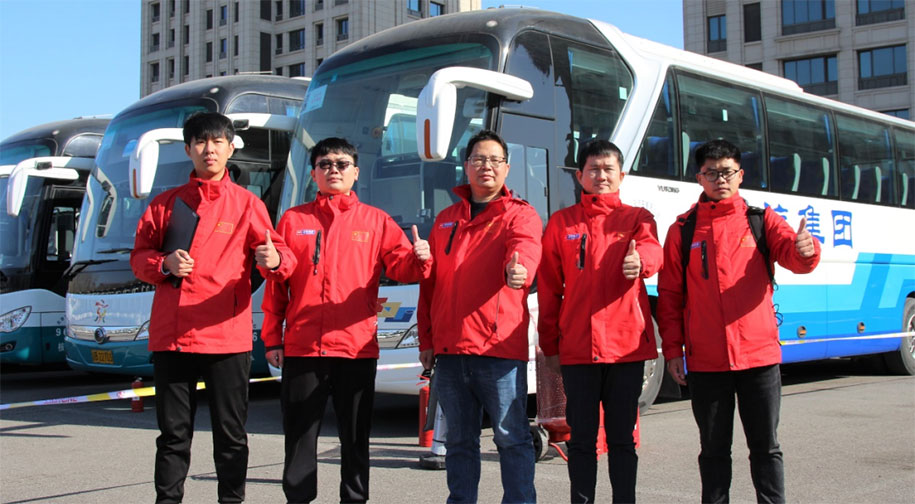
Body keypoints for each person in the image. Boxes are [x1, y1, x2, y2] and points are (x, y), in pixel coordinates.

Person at [131, 112, 296, 504]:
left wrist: (274, 260)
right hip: (173, 337)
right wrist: (163, 264)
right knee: (173, 436)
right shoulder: (165, 204)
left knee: (231, 434)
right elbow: (138, 258)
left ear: (230, 147)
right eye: (201, 142)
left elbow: (282, 257)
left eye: (218, 141)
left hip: (226, 337)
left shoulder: (248, 204)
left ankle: (231, 500)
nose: (210, 149)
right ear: (188, 149)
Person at [261, 137, 432, 504]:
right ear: (313, 174)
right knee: (299, 436)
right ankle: (298, 499)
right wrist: (273, 338)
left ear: (356, 172)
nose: (333, 170)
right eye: (324, 164)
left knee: (355, 437)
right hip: (304, 348)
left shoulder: (375, 220)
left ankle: (354, 499)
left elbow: (401, 267)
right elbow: (278, 285)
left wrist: (420, 258)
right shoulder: (293, 220)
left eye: (341, 164)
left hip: (355, 349)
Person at [657, 139, 821, 504]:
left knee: (766, 447)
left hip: (758, 358)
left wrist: (805, 251)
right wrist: (672, 351)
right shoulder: (682, 230)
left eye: (727, 172)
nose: (720, 179)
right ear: (699, 177)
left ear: (740, 175)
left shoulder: (761, 220)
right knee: (713, 451)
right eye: (711, 172)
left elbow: (792, 256)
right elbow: (669, 297)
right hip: (707, 361)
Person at [418, 130, 542, 503]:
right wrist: (427, 341)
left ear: (506, 168)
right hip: (451, 352)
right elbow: (430, 287)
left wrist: (519, 271)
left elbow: (525, 250)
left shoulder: (520, 214)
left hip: (498, 350)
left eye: (494, 160)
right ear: (466, 166)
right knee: (458, 442)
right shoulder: (446, 219)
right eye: (478, 159)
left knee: (511, 438)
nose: (486, 166)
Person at [537, 139, 662, 503]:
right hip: (578, 350)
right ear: (580, 176)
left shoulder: (638, 218)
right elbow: (549, 289)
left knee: (622, 439)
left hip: (626, 349)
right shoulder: (562, 223)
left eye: (609, 169)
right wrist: (550, 346)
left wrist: (641, 262)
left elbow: (653, 250)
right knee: (581, 440)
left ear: (621, 175)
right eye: (593, 169)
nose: (601, 176)